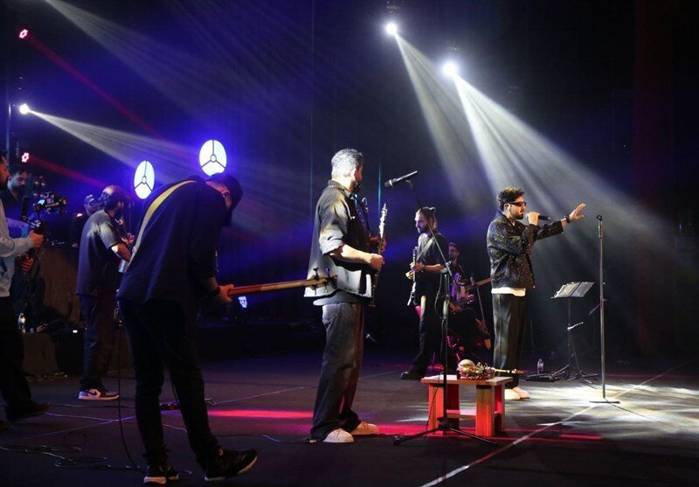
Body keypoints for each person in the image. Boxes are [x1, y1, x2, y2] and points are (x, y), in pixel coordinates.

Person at [118, 173, 257, 484]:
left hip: (132, 293)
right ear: (226, 194)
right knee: (187, 379)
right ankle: (212, 460)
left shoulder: (165, 192)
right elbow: (200, 255)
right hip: (166, 297)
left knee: (147, 383)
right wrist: (214, 292)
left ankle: (156, 467)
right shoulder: (211, 198)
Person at [305, 148, 384, 444]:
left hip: (350, 290)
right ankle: (323, 426)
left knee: (351, 361)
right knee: (339, 360)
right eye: (361, 171)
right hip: (338, 290)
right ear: (353, 170)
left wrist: (369, 242)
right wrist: (368, 257)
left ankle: (344, 419)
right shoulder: (334, 197)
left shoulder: (346, 199)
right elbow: (332, 244)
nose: (361, 176)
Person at [487, 186, 585, 400]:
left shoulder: (515, 226)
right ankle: (501, 387)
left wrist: (567, 219)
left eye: (525, 203)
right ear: (507, 206)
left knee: (516, 339)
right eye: (520, 204)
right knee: (505, 340)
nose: (524, 207)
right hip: (505, 288)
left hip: (518, 287)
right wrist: (531, 224)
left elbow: (539, 233)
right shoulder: (497, 226)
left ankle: (512, 384)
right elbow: (520, 247)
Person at [0, 153, 48, 430]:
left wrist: (20, 255)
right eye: (5, 167)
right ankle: (18, 404)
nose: (8, 172)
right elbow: (2, 244)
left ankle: (19, 403)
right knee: (9, 349)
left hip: (3, 288)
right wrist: (28, 243)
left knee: (10, 350)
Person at [75, 185, 132, 400]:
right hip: (96, 288)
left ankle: (92, 384)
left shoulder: (98, 218)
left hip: (95, 288)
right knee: (98, 337)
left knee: (99, 335)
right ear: (120, 203)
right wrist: (136, 260)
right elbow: (117, 248)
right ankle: (90, 386)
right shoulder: (103, 219)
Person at [400, 207, 449, 380]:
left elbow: (443, 267)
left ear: (430, 220)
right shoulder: (421, 238)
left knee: (426, 329)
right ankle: (450, 364)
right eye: (416, 221)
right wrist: (414, 271)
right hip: (421, 289)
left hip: (433, 291)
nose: (417, 225)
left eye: (420, 221)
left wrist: (423, 268)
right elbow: (421, 263)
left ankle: (418, 369)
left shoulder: (440, 240)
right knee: (433, 330)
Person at [445, 242, 491, 365]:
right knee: (470, 315)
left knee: (470, 320)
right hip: (449, 310)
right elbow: (444, 292)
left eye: (453, 250)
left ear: (458, 253)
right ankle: (476, 341)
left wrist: (466, 297)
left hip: (457, 306)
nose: (450, 253)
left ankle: (468, 353)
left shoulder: (459, 269)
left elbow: (461, 290)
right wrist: (452, 305)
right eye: (449, 250)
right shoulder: (446, 268)